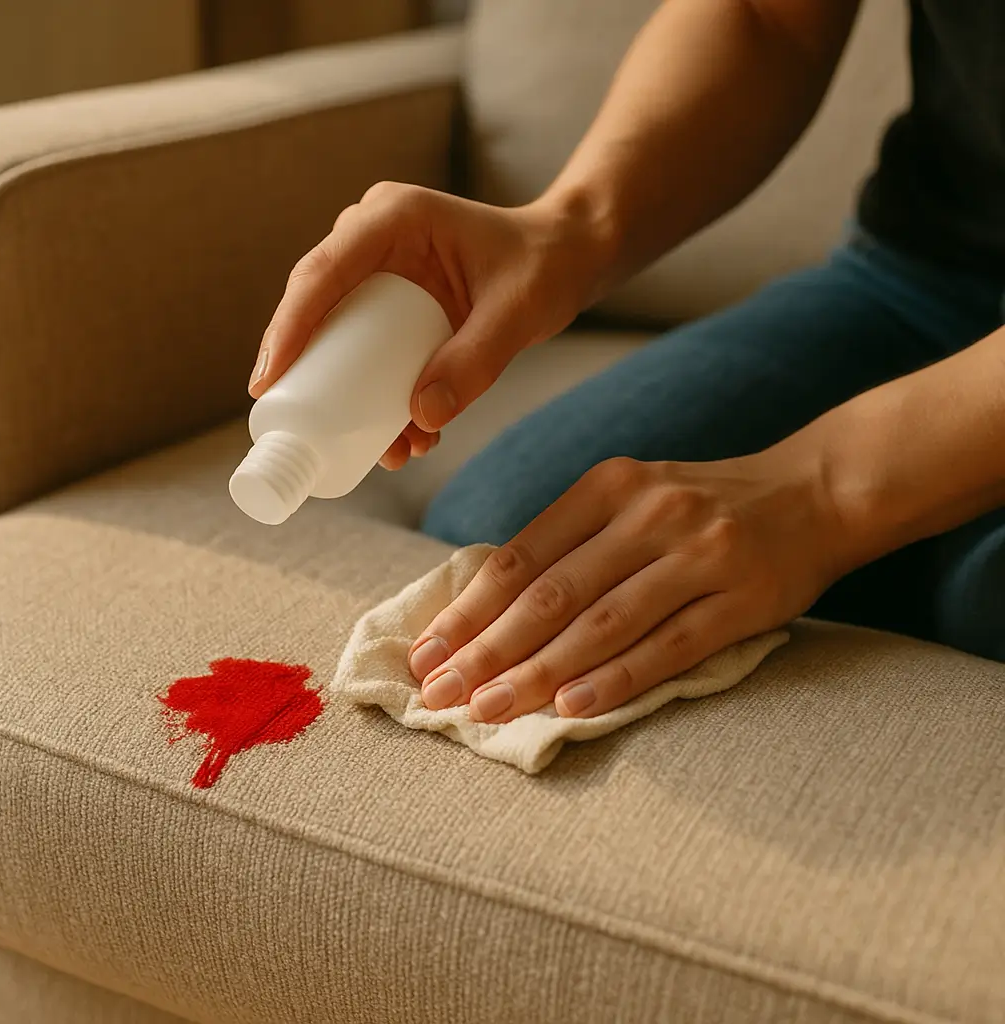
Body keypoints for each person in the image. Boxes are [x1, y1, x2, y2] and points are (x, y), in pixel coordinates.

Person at [247, 0, 1005, 726]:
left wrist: (819, 497)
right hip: (933, 269)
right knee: (504, 529)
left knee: (982, 600)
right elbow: (764, 16)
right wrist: (565, 230)